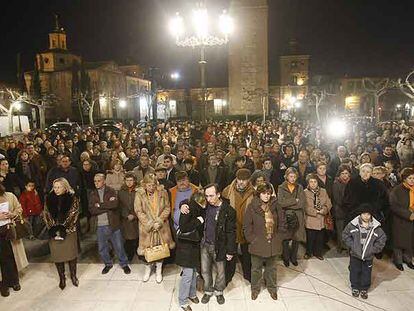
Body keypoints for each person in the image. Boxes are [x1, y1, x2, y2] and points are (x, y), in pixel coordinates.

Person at [243, 182, 282, 300]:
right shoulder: (252, 206)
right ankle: (255, 289)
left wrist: (279, 237)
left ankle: (272, 288)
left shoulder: (276, 205)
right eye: (264, 193)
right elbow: (247, 226)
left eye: (269, 193)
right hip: (257, 243)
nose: (266, 196)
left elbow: (282, 222)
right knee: (256, 268)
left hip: (273, 242)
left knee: (272, 268)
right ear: (258, 194)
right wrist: (252, 240)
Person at [135, 173, 175, 283]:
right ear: (144, 185)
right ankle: (148, 269)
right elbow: (139, 211)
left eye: (153, 185)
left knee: (160, 248)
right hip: (146, 227)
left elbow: (167, 208)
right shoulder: (139, 194)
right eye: (149, 185)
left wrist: (159, 221)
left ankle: (159, 270)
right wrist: (150, 224)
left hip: (160, 227)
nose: (151, 188)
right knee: (148, 249)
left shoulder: (163, 192)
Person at [200, 183, 236, 305]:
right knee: (205, 270)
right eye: (206, 196)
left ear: (218, 194)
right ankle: (208, 291)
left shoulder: (228, 211)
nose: (208, 199)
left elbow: (231, 232)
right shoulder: (204, 206)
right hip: (205, 244)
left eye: (211, 196)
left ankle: (219, 291)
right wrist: (182, 204)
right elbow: (190, 201)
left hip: (219, 246)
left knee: (221, 272)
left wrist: (230, 250)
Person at [89, 173, 131, 275]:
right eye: (95, 181)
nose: (96, 183)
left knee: (119, 246)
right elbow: (92, 210)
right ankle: (108, 264)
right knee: (102, 248)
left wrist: (99, 205)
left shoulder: (111, 191)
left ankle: (124, 264)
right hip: (100, 225)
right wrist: (105, 206)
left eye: (98, 181)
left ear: (104, 181)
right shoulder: (92, 193)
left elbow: (114, 204)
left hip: (113, 223)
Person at [342, 204, 386, 300]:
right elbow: (345, 235)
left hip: (368, 256)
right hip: (355, 254)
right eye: (364, 214)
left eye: (368, 214)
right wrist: (352, 245)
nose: (366, 216)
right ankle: (355, 287)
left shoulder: (376, 227)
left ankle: (364, 288)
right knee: (354, 270)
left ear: (371, 215)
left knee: (366, 272)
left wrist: (374, 249)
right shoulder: (353, 225)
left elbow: (382, 239)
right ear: (360, 214)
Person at [43, 178, 80, 290]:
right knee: (58, 256)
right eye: (54, 187)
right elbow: (46, 214)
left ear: (65, 187)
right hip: (54, 232)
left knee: (71, 255)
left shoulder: (73, 198)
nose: (56, 189)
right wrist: (54, 228)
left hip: (68, 230)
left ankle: (73, 276)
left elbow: (74, 213)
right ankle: (62, 278)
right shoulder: (48, 199)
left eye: (59, 187)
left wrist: (63, 227)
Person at [222, 168, 255, 284]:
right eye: (239, 179)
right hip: (232, 229)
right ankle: (228, 276)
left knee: (247, 254)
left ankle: (248, 275)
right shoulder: (227, 191)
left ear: (249, 180)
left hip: (247, 229)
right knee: (230, 254)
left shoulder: (254, 192)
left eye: (244, 180)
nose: (241, 182)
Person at [176, 192, 207, 311]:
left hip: (194, 244)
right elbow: (183, 228)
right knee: (187, 274)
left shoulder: (200, 209)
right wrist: (198, 221)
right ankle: (183, 301)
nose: (204, 204)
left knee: (194, 272)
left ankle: (192, 294)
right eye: (202, 202)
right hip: (186, 247)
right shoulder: (188, 208)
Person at [277, 167, 306, 267]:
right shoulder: (281, 187)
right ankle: (285, 258)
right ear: (286, 176)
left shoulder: (300, 187)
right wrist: (294, 200)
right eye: (291, 176)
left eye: (294, 176)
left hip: (298, 216)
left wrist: (289, 203)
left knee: (296, 238)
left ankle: (293, 258)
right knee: (285, 239)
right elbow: (280, 203)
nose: (293, 178)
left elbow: (302, 203)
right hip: (286, 216)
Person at [0, 183, 23, 297]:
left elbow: (19, 209)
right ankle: (3, 284)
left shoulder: (9, 195)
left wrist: (12, 214)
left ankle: (14, 281)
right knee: (2, 258)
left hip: (8, 229)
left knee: (10, 256)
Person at [389, 167, 414, 271]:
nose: (412, 180)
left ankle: (408, 259)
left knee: (410, 240)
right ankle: (398, 260)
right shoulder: (397, 190)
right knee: (399, 241)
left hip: (412, 220)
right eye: (410, 178)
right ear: (404, 179)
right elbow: (394, 206)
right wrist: (408, 214)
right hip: (400, 219)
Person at [303, 173, 332, 260]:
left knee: (319, 238)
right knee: (310, 238)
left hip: (321, 218)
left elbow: (329, 203)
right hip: (311, 218)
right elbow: (304, 206)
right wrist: (315, 212)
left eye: (315, 182)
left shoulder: (323, 191)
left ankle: (318, 253)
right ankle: (308, 252)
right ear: (308, 183)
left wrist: (324, 210)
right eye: (311, 182)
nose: (313, 184)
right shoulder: (304, 192)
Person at [118, 173, 139, 262]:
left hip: (137, 217)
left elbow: (141, 204)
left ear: (134, 181)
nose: (129, 182)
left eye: (131, 180)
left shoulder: (139, 191)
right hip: (125, 218)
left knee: (138, 236)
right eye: (127, 180)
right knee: (128, 238)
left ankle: (138, 253)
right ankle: (129, 254)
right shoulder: (121, 191)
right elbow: (120, 205)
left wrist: (134, 215)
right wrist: (126, 215)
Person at [332, 165, 352, 253]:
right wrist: (347, 205)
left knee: (349, 230)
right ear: (339, 174)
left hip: (350, 211)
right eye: (342, 173)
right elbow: (337, 199)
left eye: (346, 173)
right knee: (340, 230)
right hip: (340, 210)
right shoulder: (336, 184)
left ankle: (347, 247)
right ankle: (340, 246)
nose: (344, 175)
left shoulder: (352, 183)